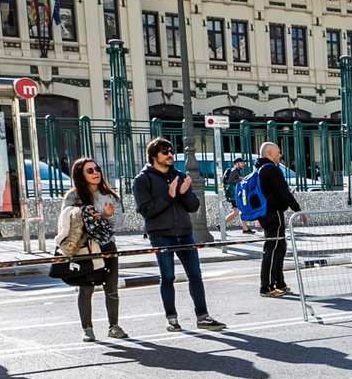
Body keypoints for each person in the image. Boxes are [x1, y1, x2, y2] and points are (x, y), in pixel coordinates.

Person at [132, 138, 225, 333]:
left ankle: (203, 317)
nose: (170, 155)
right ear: (153, 156)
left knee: (195, 274)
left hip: (184, 233)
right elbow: (146, 210)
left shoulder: (180, 176)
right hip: (160, 235)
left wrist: (183, 193)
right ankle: (172, 319)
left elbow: (194, 206)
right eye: (165, 152)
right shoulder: (142, 179)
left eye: (171, 151)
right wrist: (169, 195)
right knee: (167, 277)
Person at [58, 157, 127, 341]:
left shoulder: (109, 195)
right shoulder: (73, 196)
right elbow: (65, 221)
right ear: (80, 175)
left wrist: (108, 216)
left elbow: (119, 222)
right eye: (90, 170)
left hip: (107, 244)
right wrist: (84, 215)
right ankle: (87, 329)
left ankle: (114, 326)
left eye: (97, 169)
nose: (96, 173)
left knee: (111, 286)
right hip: (85, 247)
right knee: (86, 288)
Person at [254, 142, 302, 298]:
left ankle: (279, 282)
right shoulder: (272, 170)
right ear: (270, 153)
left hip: (265, 213)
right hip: (273, 213)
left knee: (279, 247)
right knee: (273, 248)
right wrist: (298, 210)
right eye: (278, 152)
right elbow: (283, 193)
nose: (280, 155)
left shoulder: (259, 168)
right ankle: (266, 286)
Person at [221, 158, 253, 234]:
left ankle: (245, 228)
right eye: (241, 163)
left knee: (238, 211)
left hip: (236, 194)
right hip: (234, 195)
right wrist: (240, 180)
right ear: (236, 163)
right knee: (238, 211)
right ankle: (221, 225)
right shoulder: (234, 171)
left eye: (243, 163)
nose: (243, 164)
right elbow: (229, 181)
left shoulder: (237, 171)